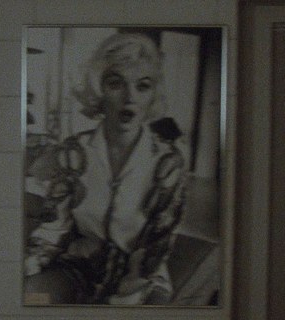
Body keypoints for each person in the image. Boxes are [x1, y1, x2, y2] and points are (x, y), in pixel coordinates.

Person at [24, 32, 186, 305]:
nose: (129, 98)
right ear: (99, 90)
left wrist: (132, 284)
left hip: (141, 273)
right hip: (79, 264)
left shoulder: (168, 162)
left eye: (142, 86)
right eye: (116, 84)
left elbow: (159, 242)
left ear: (152, 95)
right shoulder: (72, 152)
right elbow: (53, 228)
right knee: (31, 295)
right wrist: (29, 266)